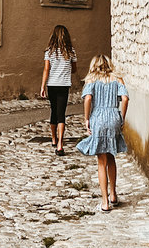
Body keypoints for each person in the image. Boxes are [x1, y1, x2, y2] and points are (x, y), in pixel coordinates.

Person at [76, 55, 128, 211]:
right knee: (111, 156)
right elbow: (125, 99)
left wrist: (86, 119)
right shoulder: (117, 78)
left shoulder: (91, 79)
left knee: (101, 161)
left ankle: (105, 202)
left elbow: (88, 98)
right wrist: (122, 118)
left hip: (98, 117)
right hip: (113, 117)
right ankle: (113, 194)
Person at [40, 25, 77, 155]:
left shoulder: (49, 52)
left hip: (52, 85)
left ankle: (54, 138)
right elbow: (74, 69)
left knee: (53, 111)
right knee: (61, 114)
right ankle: (60, 144)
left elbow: (46, 69)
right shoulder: (71, 51)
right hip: (64, 85)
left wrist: (42, 86)